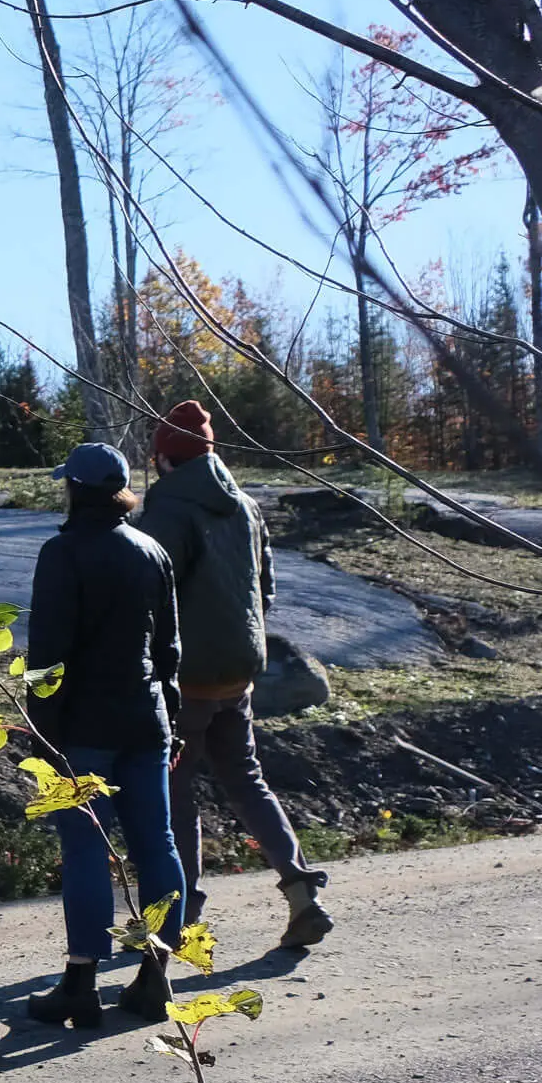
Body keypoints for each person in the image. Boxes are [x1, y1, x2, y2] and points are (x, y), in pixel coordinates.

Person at [135, 400, 333, 951]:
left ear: (164, 459)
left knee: (177, 794)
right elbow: (264, 588)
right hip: (239, 672)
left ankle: (182, 916)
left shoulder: (167, 511)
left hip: (186, 678)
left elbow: (150, 595)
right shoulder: (245, 505)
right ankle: (301, 894)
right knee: (247, 781)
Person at [23, 441, 188, 1030]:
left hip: (86, 728)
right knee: (157, 843)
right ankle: (156, 974)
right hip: (148, 720)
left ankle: (80, 981)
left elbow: (47, 654)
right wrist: (173, 719)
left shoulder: (62, 553)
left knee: (87, 848)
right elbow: (169, 650)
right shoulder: (152, 551)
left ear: (74, 488)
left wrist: (42, 730)